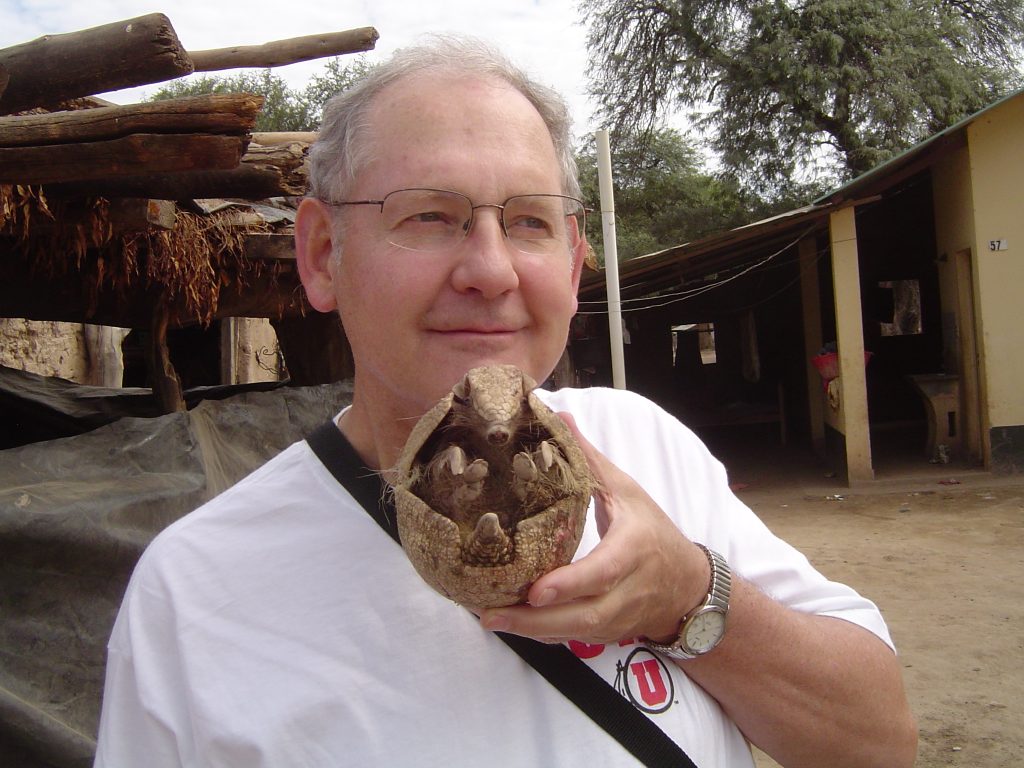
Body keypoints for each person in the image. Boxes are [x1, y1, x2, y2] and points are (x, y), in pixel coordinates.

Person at [94, 35, 917, 768]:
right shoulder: (196, 595)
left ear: (571, 264)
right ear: (320, 254)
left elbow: (878, 741)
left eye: (528, 221)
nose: (490, 270)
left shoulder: (647, 446)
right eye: (429, 215)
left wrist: (686, 597)